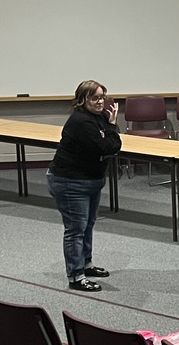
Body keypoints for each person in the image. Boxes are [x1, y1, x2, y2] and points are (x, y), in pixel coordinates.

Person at [46, 79, 122, 292]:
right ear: (82, 100)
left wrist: (110, 123)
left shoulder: (97, 118)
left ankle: (86, 264)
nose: (100, 102)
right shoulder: (81, 122)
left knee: (87, 225)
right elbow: (107, 147)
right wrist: (113, 127)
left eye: (102, 97)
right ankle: (76, 276)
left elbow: (107, 142)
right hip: (69, 182)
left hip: (89, 181)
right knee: (75, 230)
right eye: (94, 98)